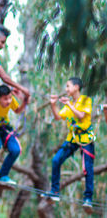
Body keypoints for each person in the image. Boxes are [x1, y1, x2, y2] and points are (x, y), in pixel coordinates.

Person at [42, 77, 95, 210]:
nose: (66, 89)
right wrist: (53, 104)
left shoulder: (85, 100)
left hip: (86, 138)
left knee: (87, 168)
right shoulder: (69, 103)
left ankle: (88, 198)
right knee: (56, 160)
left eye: (68, 86)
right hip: (72, 138)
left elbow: (81, 115)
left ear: (76, 87)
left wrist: (69, 105)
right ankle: (54, 192)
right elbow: (58, 117)